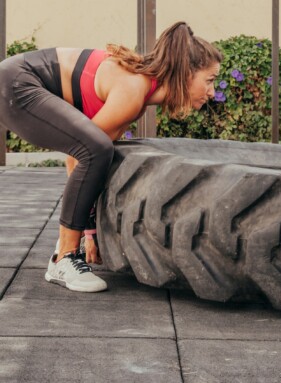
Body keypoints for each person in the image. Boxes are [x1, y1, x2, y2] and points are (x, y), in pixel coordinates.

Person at [0, 22, 222, 292]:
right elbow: (79, 156)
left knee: (100, 149)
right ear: (186, 74)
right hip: (16, 82)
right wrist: (88, 233)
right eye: (209, 80)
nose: (212, 92)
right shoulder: (134, 90)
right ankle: (64, 258)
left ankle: (67, 249)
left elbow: (87, 159)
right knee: (97, 149)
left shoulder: (140, 92)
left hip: (15, 78)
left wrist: (90, 233)